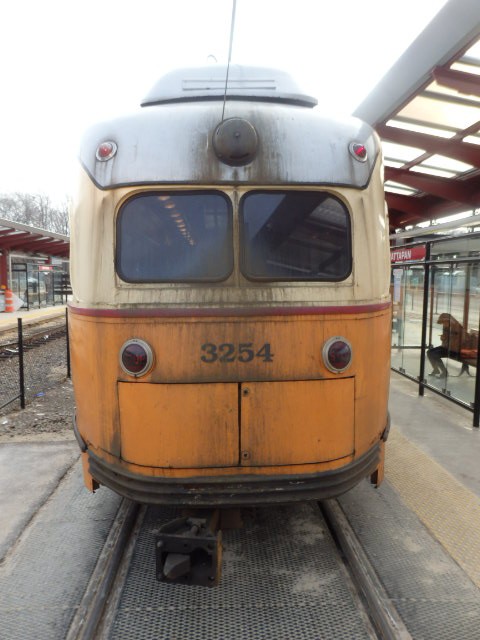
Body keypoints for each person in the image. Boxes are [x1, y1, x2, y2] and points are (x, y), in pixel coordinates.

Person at [427, 313, 468, 377]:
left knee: (435, 355)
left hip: (455, 350)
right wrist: (443, 338)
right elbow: (446, 339)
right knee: (429, 352)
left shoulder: (457, 327)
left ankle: (444, 372)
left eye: (444, 322)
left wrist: (449, 339)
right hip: (446, 347)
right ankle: (436, 369)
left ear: (449, 321)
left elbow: (462, 340)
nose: (443, 324)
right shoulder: (446, 327)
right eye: (442, 323)